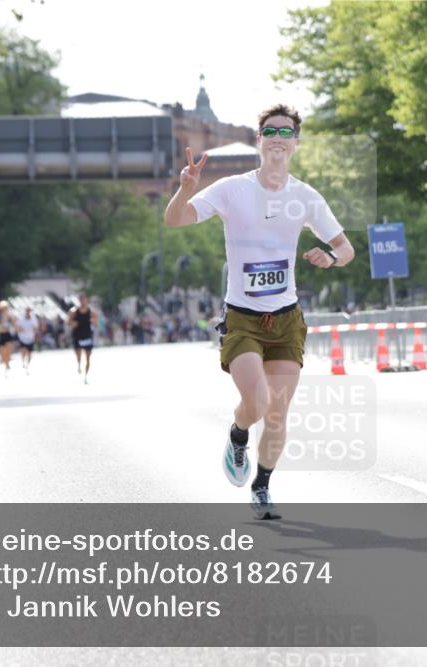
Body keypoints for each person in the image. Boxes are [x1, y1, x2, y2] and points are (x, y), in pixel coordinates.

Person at [164, 103, 354, 519]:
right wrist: (186, 188)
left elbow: (346, 248)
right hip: (244, 317)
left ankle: (263, 485)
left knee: (278, 412)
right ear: (259, 140)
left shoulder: (305, 196)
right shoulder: (233, 189)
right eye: (270, 132)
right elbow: (175, 220)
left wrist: (331, 257)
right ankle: (237, 434)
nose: (278, 139)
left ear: (296, 144)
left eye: (286, 133)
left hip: (286, 319)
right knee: (258, 402)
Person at [68, 294, 98, 383]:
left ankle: (86, 376)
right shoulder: (74, 311)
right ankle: (79, 364)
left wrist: (93, 321)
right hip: (77, 336)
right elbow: (68, 322)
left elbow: (96, 324)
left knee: (88, 358)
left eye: (84, 300)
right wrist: (73, 323)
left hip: (87, 335)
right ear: (79, 301)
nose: (83, 302)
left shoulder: (91, 312)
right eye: (81, 300)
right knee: (78, 355)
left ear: (86, 301)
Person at [15, 306, 38, 373]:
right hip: (22, 338)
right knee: (23, 351)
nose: (28, 312)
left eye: (29, 311)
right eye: (27, 311)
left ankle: (28, 364)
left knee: (30, 353)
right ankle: (23, 362)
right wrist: (19, 330)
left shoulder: (33, 319)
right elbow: (17, 327)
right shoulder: (20, 319)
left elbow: (36, 328)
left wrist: (34, 330)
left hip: (30, 338)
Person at [0, 301, 15, 376]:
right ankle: (5, 362)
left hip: (7, 334)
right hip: (0, 335)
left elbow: (13, 325)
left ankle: (7, 362)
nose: (5, 309)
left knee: (9, 350)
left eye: (6, 307)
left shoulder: (10, 316)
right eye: (4, 307)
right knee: (3, 351)